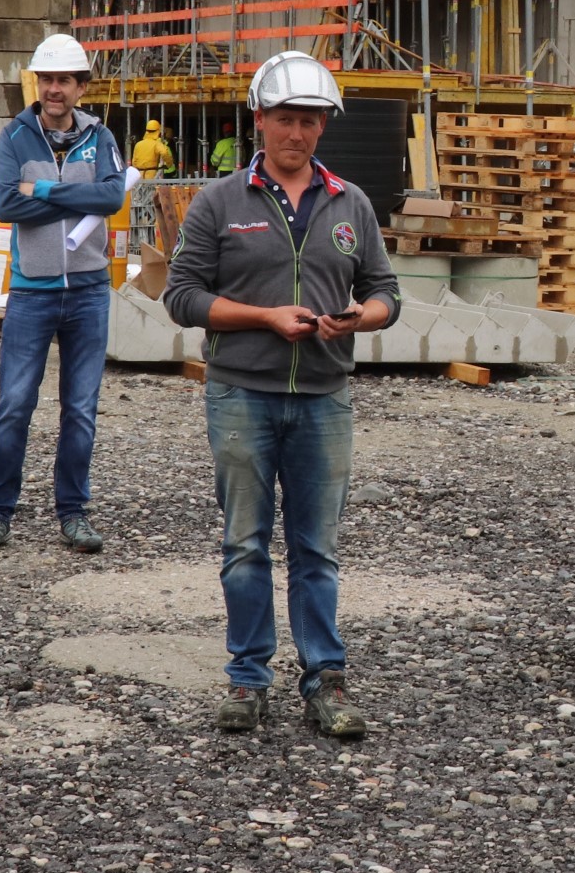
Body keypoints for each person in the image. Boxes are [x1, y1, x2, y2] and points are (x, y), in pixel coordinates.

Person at [165, 51, 402, 738]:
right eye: (286, 119)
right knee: (244, 542)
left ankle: (325, 677)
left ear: (323, 126)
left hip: (325, 396)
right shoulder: (219, 203)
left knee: (316, 548)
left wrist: (363, 317)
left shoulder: (349, 201)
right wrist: (265, 317)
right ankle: (247, 678)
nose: (297, 133)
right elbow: (182, 297)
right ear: (259, 119)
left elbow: (386, 291)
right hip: (242, 393)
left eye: (311, 121)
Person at [0, 34, 128, 558]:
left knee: (80, 409)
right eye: (46, 80)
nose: (53, 89)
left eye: (63, 80)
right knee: (14, 404)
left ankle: (73, 513)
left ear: (81, 86)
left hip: (88, 292)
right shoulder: (16, 136)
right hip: (33, 294)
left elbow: (110, 196)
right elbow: (8, 207)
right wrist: (67, 200)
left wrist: (45, 191)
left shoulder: (99, 136)